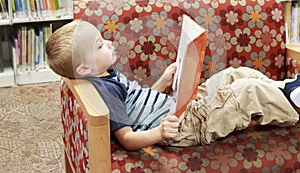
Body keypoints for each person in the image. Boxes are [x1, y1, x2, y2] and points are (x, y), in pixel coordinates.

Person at [46, 19, 299, 150]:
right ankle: (293, 100)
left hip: (182, 107)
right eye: (100, 45)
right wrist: (160, 133)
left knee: (235, 74)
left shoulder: (105, 75)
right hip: (186, 127)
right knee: (244, 93)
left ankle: (289, 91)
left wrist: (163, 82)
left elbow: (136, 104)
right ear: (84, 69)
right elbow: (127, 138)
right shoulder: (103, 91)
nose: (110, 42)